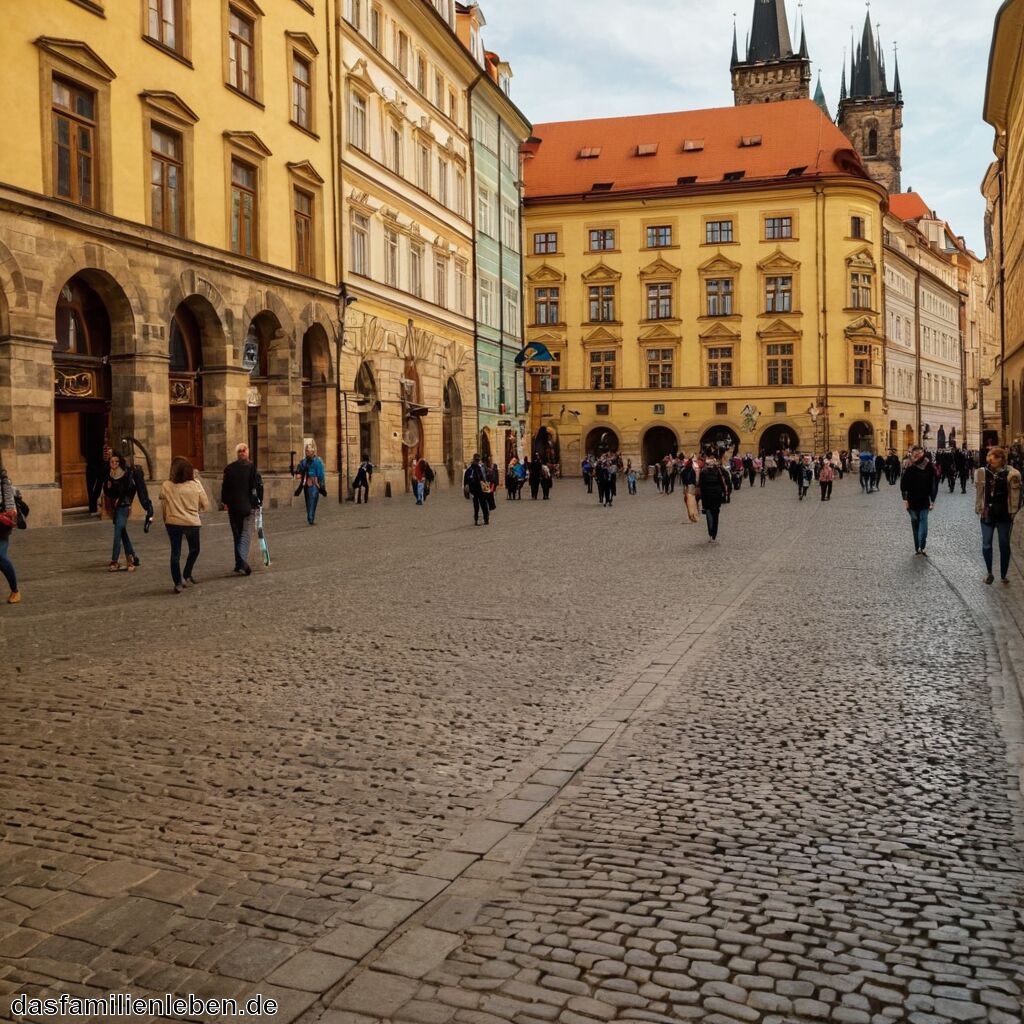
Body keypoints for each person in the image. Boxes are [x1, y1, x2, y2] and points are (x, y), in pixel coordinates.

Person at [159, 457, 209, 593]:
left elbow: (163, 503)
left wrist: (166, 518)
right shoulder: (196, 484)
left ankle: (178, 582)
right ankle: (187, 573)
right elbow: (205, 504)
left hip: (173, 521)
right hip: (192, 521)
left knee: (175, 553)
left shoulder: (166, 485)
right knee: (195, 549)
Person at [975, 447, 1022, 585]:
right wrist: (979, 507)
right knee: (986, 545)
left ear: (1001, 459)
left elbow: (1017, 495)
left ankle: (1003, 574)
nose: (990, 459)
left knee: (1004, 544)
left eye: (994, 457)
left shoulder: (1011, 474)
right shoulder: (983, 472)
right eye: (989, 456)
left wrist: (1013, 511)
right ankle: (989, 572)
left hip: (1004, 515)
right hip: (987, 513)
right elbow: (979, 493)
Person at [221, 442, 261, 576]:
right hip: (246, 506)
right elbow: (254, 487)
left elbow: (224, 488)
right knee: (245, 535)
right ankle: (242, 562)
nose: (243, 452)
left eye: (243, 450)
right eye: (241, 451)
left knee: (237, 535)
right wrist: (256, 502)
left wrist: (225, 502)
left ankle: (238, 564)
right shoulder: (251, 467)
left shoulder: (229, 468)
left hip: (233, 507)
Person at [103, 452, 139, 573]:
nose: (114, 463)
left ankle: (114, 560)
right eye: (112, 461)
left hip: (123, 506)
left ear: (120, 462)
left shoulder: (125, 474)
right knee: (122, 532)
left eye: (116, 461)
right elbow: (107, 491)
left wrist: (121, 499)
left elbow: (129, 489)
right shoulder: (109, 475)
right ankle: (132, 556)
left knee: (117, 532)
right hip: (114, 507)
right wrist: (108, 487)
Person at [900, 445, 938, 557]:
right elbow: (903, 485)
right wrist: (905, 500)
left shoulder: (929, 467)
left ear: (922, 453)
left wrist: (932, 500)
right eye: (915, 453)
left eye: (919, 453)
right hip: (911, 501)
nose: (917, 455)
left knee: (923, 525)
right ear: (912, 454)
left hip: (924, 501)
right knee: (915, 523)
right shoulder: (909, 466)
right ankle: (917, 547)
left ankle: (922, 546)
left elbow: (933, 485)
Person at [696, 457, 731, 543]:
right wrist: (725, 494)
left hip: (707, 497)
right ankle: (714, 534)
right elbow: (722, 483)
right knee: (715, 516)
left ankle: (711, 533)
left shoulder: (703, 472)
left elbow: (700, 486)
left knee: (709, 516)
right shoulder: (717, 471)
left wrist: (699, 498)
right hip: (716, 497)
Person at [0, 466, 21, 604]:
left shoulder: (3, 480)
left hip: (0, 525)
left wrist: (9, 514)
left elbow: (10, 504)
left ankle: (15, 590)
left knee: (0, 556)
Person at [296, 442, 325, 525]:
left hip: (315, 484)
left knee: (313, 501)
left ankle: (311, 517)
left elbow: (321, 473)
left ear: (313, 451)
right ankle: (310, 517)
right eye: (307, 451)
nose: (308, 453)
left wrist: (321, 484)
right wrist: (299, 473)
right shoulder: (303, 461)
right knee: (308, 501)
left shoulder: (318, 461)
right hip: (306, 484)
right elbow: (299, 471)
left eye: (310, 451)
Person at [464, 453, 490, 526]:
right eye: (476, 460)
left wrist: (486, 485)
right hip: (475, 490)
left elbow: (484, 477)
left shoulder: (480, 468)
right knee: (477, 506)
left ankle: (485, 519)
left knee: (483, 505)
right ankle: (477, 519)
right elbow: (466, 480)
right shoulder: (471, 469)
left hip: (480, 489)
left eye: (478, 460)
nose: (477, 461)